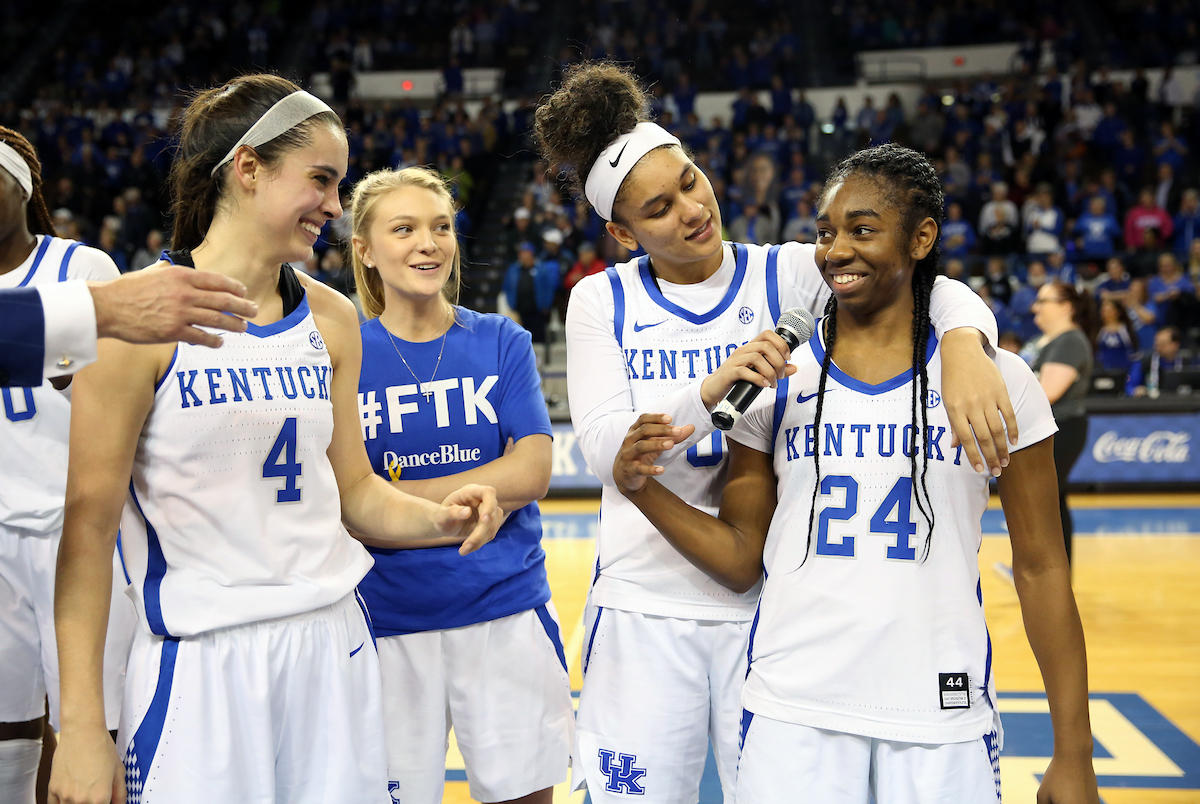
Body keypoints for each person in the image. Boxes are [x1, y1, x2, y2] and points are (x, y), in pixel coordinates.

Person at [534, 62, 1018, 804]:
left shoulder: (787, 272)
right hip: (643, 605)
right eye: (658, 209)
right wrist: (713, 385)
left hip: (765, 607)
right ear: (623, 234)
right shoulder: (602, 298)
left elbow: (928, 282)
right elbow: (607, 448)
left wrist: (963, 340)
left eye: (690, 181)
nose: (691, 209)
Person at [48, 74, 501, 804]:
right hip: (202, 667)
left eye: (339, 184)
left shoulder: (332, 319)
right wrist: (79, 727)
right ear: (248, 169)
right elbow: (88, 528)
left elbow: (354, 493)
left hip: (334, 648)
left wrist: (438, 518)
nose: (334, 205)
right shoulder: (139, 322)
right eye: (320, 180)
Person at [610, 144, 1099, 804]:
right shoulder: (771, 382)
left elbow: (1041, 568)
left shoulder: (998, 381)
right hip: (792, 710)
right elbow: (739, 560)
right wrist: (639, 486)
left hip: (941, 710)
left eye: (863, 230)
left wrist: (1074, 753)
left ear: (921, 237)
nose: (836, 250)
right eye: (825, 231)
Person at [348, 166, 571, 804]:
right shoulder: (344, 352)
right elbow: (343, 499)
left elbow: (531, 471)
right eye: (405, 229)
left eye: (441, 227)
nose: (429, 243)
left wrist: (389, 496)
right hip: (383, 620)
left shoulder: (502, 339)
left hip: (503, 610)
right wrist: (471, 492)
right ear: (364, 248)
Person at [0, 127, 136, 804]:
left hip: (76, 530)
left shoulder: (83, 270)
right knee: (7, 733)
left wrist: (57, 354)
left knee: (94, 730)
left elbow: (113, 397)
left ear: (22, 187)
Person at [1030, 281, 1095, 562]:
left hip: (1062, 428)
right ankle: (1055, 572)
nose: (1036, 307)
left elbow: (1047, 392)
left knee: (1048, 502)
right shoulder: (1053, 341)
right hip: (1056, 428)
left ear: (1066, 307)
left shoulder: (1069, 340)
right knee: (1052, 501)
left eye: (1044, 301)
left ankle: (1053, 572)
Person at [1128, 326, 1194, 397]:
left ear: (1176, 344)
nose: (1158, 348)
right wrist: (1135, 391)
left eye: (1163, 344)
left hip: (1181, 403)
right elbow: (1130, 386)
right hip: (1152, 403)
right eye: (1157, 344)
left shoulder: (1188, 362)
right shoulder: (1145, 361)